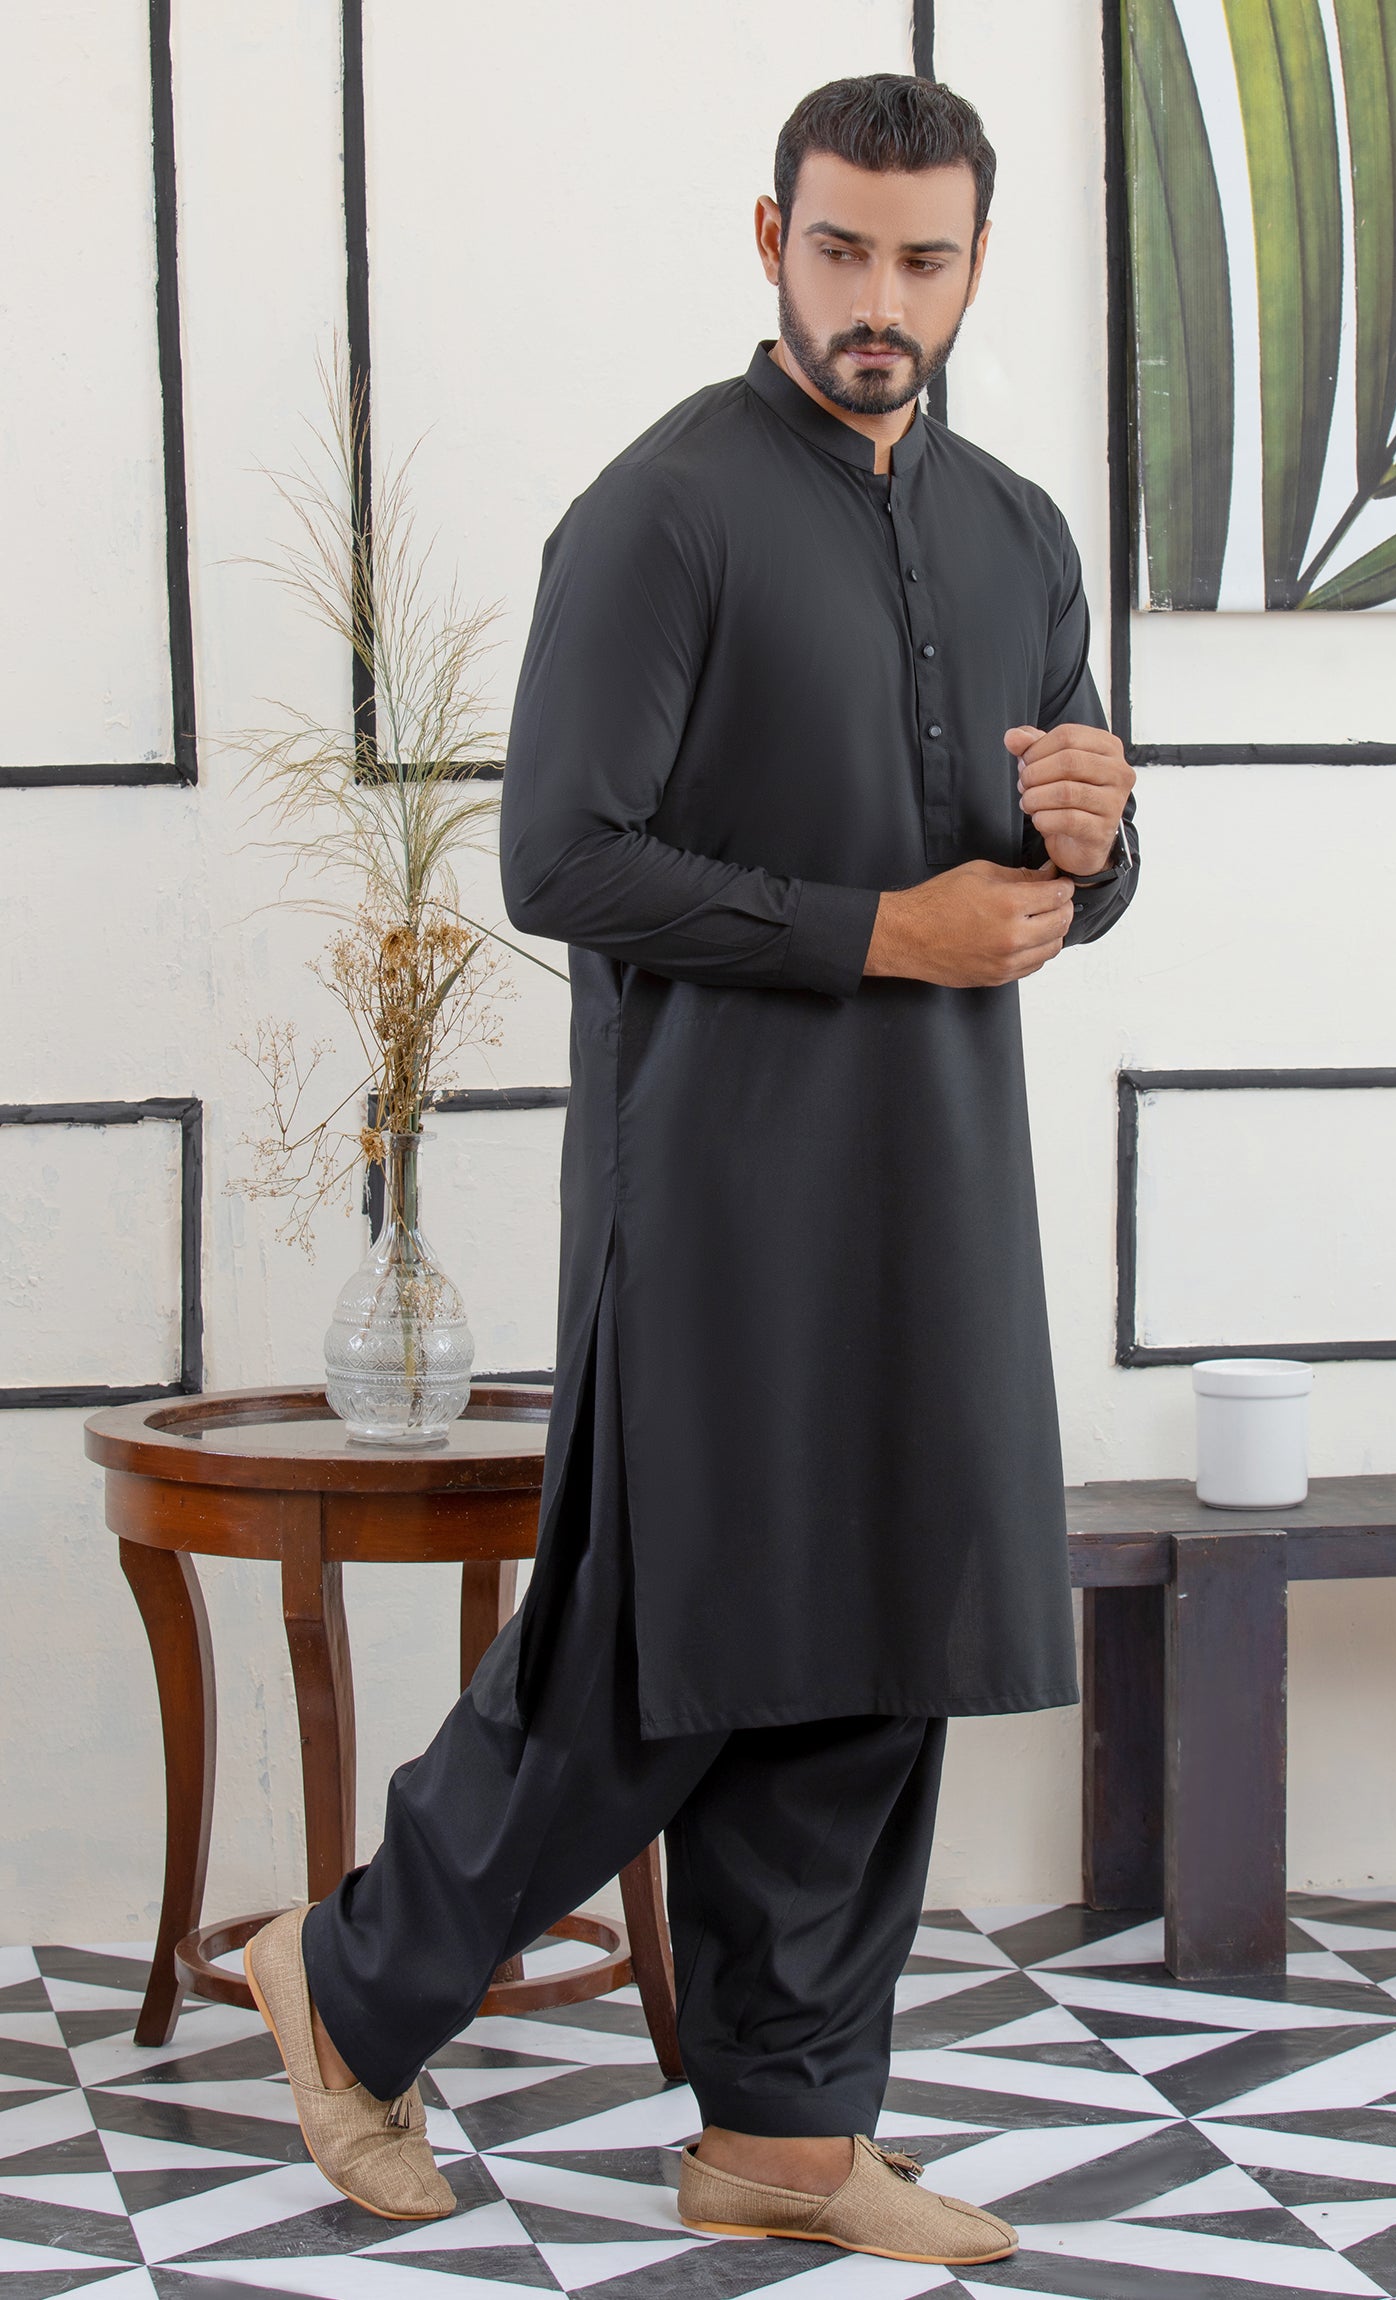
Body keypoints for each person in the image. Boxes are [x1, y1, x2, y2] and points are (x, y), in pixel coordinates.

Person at [245, 72, 1138, 2271]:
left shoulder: (1020, 531)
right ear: (770, 241)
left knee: (876, 1640)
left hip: (940, 1185)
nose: (878, 299)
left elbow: (1056, 868)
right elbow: (561, 859)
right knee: (666, 1643)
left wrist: (1100, 849)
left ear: (975, 266)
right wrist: (883, 930)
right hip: (714, 1193)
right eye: (840, 250)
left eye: (922, 259)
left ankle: (787, 2136)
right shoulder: (663, 514)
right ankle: (347, 1985)